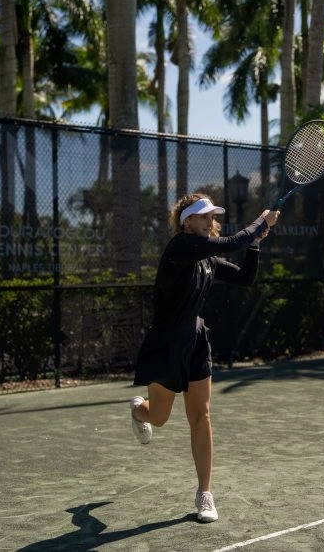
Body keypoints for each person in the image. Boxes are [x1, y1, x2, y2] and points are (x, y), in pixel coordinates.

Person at [129, 192, 280, 523]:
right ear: (187, 223)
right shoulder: (181, 247)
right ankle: (139, 411)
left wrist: (256, 244)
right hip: (166, 343)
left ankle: (204, 494)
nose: (211, 221)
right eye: (204, 216)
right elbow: (232, 240)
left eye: (213, 216)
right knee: (160, 418)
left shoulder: (207, 259)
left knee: (202, 416)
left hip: (195, 341)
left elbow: (244, 278)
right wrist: (260, 222)